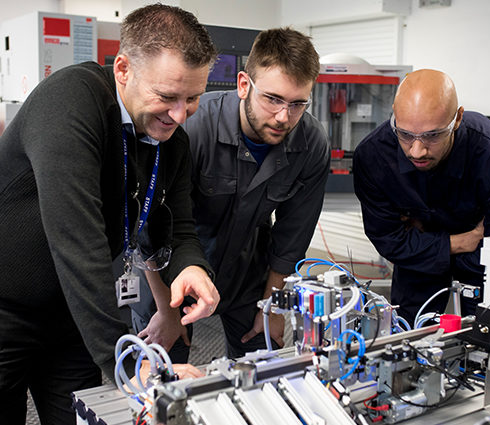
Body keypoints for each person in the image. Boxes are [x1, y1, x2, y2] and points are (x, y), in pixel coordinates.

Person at [0, 5, 220, 424]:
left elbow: (177, 226)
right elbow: (76, 242)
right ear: (123, 69)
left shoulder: (171, 141)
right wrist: (130, 359)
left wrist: (191, 266)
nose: (179, 114)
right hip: (7, 309)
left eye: (193, 98)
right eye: (167, 96)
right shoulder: (69, 103)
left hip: (72, 316)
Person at [156, 27, 330, 359]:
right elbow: (153, 226)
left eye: (297, 104)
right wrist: (165, 311)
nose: (283, 117)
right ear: (243, 85)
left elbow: (292, 238)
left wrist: (274, 310)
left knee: (263, 365)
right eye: (273, 99)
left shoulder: (311, 143)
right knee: (164, 375)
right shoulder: (192, 129)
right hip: (174, 273)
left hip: (249, 274)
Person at [353, 69, 490, 325]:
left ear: (457, 119)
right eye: (405, 134)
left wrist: (425, 237)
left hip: (482, 259)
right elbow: (389, 240)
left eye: (432, 135)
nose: (417, 150)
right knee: (407, 334)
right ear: (394, 115)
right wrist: (460, 241)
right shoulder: (373, 157)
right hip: (418, 259)